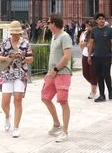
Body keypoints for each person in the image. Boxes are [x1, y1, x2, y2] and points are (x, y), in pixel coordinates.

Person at [0, 20, 34, 138]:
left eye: (17, 33)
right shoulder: (5, 43)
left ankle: (16, 127)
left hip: (21, 73)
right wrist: (6, 58)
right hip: (7, 73)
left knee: (18, 99)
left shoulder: (25, 43)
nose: (15, 35)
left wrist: (23, 57)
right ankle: (7, 116)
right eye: (13, 33)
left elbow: (31, 58)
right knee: (4, 102)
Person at [41, 14, 72, 143]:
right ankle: (56, 124)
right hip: (52, 74)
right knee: (45, 97)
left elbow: (67, 56)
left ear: (53, 24)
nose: (47, 25)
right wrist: (50, 72)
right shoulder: (54, 37)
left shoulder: (65, 37)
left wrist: (55, 69)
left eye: (48, 22)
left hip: (62, 73)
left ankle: (64, 131)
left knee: (63, 101)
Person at [87, 13, 112, 102]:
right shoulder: (94, 31)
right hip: (96, 57)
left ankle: (110, 90)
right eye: (99, 19)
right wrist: (89, 55)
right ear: (96, 21)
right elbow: (91, 44)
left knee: (106, 75)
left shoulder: (109, 30)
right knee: (99, 76)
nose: (102, 20)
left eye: (103, 19)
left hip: (107, 57)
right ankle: (102, 95)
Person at [78, 20, 98, 99]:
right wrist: (87, 44)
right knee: (85, 73)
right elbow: (81, 45)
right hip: (85, 54)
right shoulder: (84, 33)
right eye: (87, 25)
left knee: (93, 73)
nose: (88, 27)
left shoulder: (96, 33)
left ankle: (93, 91)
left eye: (90, 26)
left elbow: (94, 44)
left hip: (94, 55)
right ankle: (95, 84)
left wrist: (87, 44)